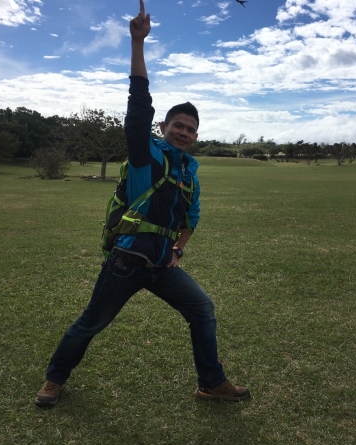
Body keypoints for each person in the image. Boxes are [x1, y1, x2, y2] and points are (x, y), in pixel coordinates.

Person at [35, 0, 250, 406]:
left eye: (190, 129)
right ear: (164, 127)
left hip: (162, 267)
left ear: (195, 136)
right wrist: (138, 44)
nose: (184, 133)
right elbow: (138, 108)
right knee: (89, 324)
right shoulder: (145, 156)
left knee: (202, 310)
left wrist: (179, 248)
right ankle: (54, 380)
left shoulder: (190, 173)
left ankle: (211, 383)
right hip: (125, 263)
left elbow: (193, 218)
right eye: (178, 126)